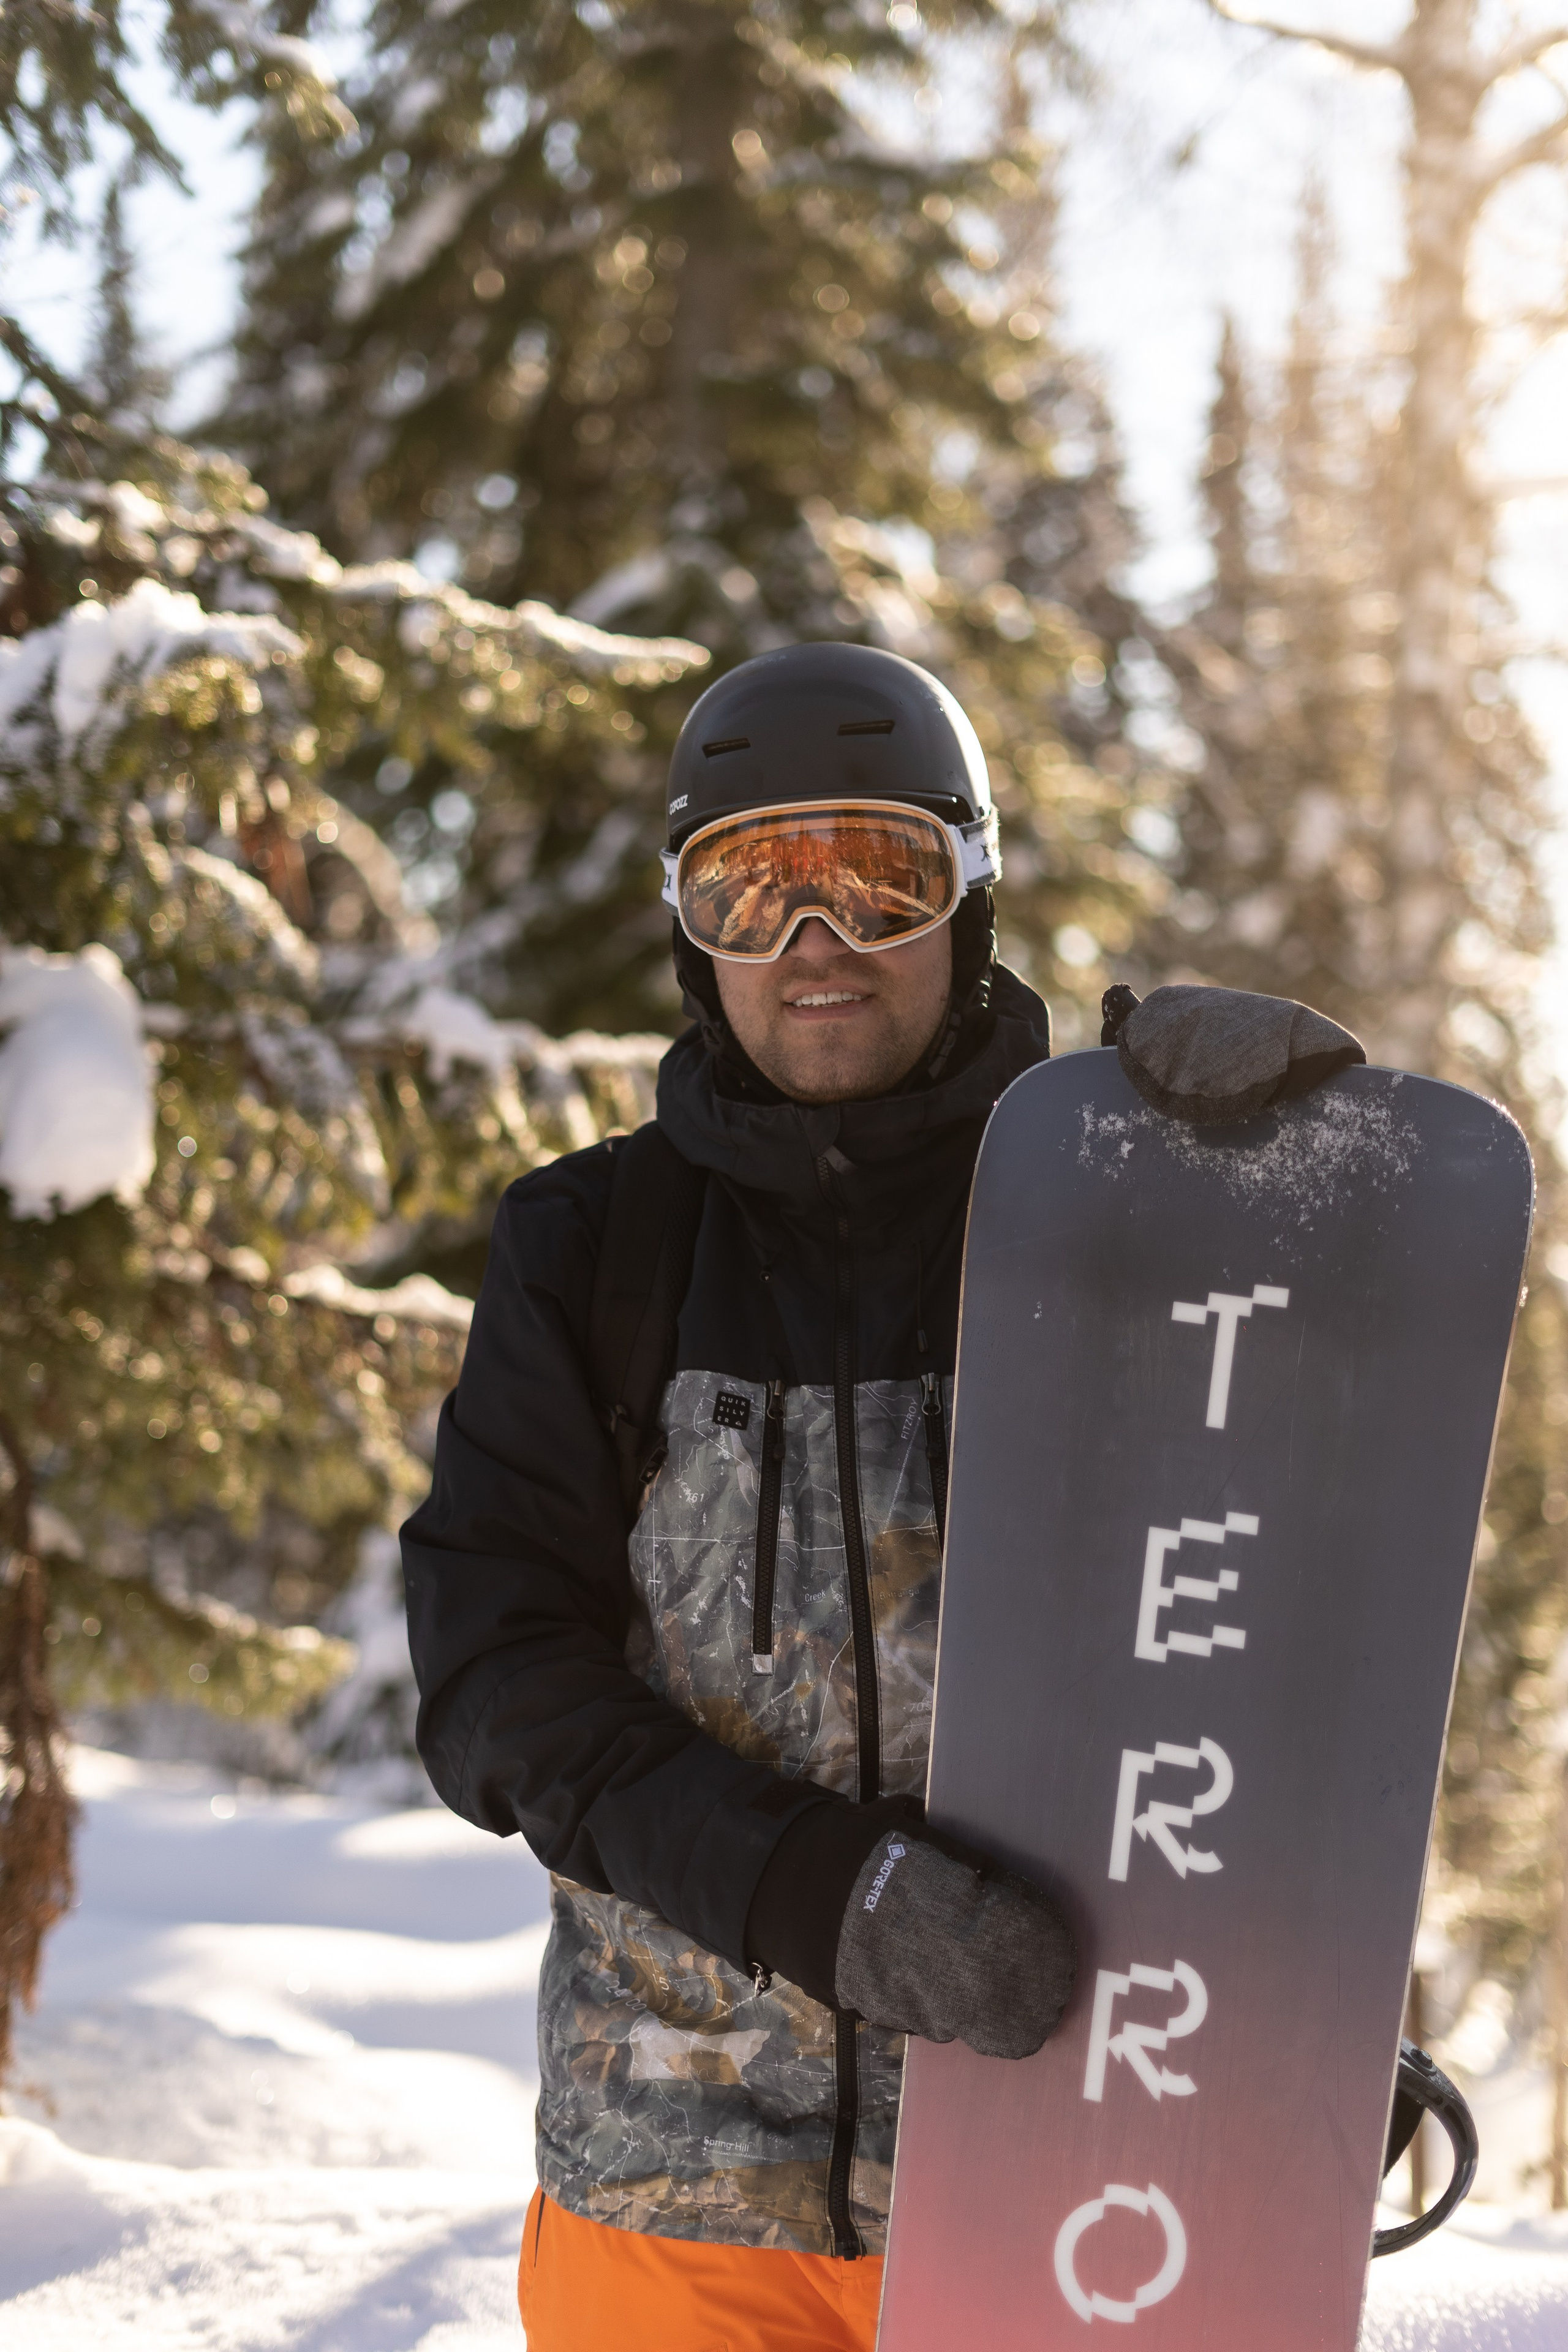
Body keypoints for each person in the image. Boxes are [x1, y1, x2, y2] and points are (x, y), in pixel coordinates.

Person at [401, 643, 1363, 2351]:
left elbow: (1276, 1620)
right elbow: (497, 1684)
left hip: (1069, 2184)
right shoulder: (595, 1253)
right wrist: (813, 1893)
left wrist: (1277, 1192)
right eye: (749, 887)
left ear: (969, 897)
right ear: (692, 936)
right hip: (674, 2204)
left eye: (876, 875)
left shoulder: (1120, 1232)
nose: (815, 940)